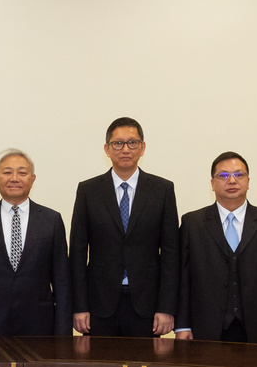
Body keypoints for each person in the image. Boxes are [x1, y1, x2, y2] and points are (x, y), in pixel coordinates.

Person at [69, 117, 179, 337]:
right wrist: (79, 306)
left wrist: (166, 308)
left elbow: (171, 254)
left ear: (142, 147)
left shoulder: (162, 190)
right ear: (107, 149)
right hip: (99, 304)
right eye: (118, 143)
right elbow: (78, 253)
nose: (125, 149)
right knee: (99, 360)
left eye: (132, 143)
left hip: (147, 305)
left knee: (144, 360)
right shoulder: (88, 190)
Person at [175, 153, 257, 346]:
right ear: (212, 183)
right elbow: (183, 278)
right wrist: (182, 326)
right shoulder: (192, 223)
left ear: (248, 181)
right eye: (223, 175)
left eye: (239, 175)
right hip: (205, 327)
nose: (232, 181)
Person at [0, 149, 70, 337]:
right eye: (7, 172)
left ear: (33, 179)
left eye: (22, 173)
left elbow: (62, 282)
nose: (14, 178)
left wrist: (63, 335)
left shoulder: (51, 220)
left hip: (39, 326)